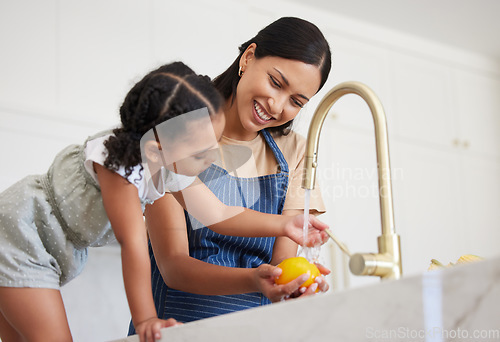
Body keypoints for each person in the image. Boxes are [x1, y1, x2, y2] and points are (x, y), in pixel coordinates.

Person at [0, 61, 328, 342]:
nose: (212, 157)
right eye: (201, 153)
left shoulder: (167, 166)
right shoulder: (120, 167)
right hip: (23, 238)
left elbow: (218, 213)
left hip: (49, 250)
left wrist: (286, 224)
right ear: (158, 150)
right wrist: (145, 320)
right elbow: (133, 246)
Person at [131, 16, 333, 329]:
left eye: (295, 101)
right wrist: (255, 279)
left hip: (256, 331)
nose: (277, 106)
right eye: (276, 83)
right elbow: (174, 267)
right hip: (175, 328)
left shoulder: (294, 151)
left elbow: (277, 259)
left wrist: (295, 285)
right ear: (249, 57)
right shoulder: (178, 126)